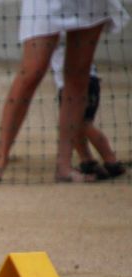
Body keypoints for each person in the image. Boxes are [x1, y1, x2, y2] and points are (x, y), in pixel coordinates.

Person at [0, 0, 129, 183]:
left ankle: (64, 166)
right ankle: (0, 159)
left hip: (90, 5)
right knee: (32, 71)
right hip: (47, 4)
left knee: (78, 75)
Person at [50, 42, 127, 179]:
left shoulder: (61, 32)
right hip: (72, 84)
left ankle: (111, 161)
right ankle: (87, 161)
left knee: (83, 124)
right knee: (74, 126)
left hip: (82, 82)